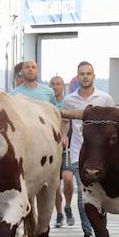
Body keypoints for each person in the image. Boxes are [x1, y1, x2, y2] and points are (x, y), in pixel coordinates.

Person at [60, 61, 114, 237]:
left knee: (102, 195)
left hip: (102, 158)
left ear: (93, 76)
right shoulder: (69, 100)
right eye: (82, 73)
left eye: (88, 73)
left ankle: (101, 229)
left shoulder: (105, 98)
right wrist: (62, 136)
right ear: (77, 76)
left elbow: (112, 125)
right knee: (84, 196)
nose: (85, 76)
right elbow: (65, 122)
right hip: (78, 155)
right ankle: (87, 234)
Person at [50, 75, 68, 226]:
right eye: (53, 84)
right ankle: (60, 213)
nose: (55, 87)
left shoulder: (67, 103)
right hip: (51, 147)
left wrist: (64, 136)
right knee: (55, 186)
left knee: (68, 180)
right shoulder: (47, 104)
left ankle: (68, 206)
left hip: (67, 146)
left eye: (58, 84)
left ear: (63, 86)